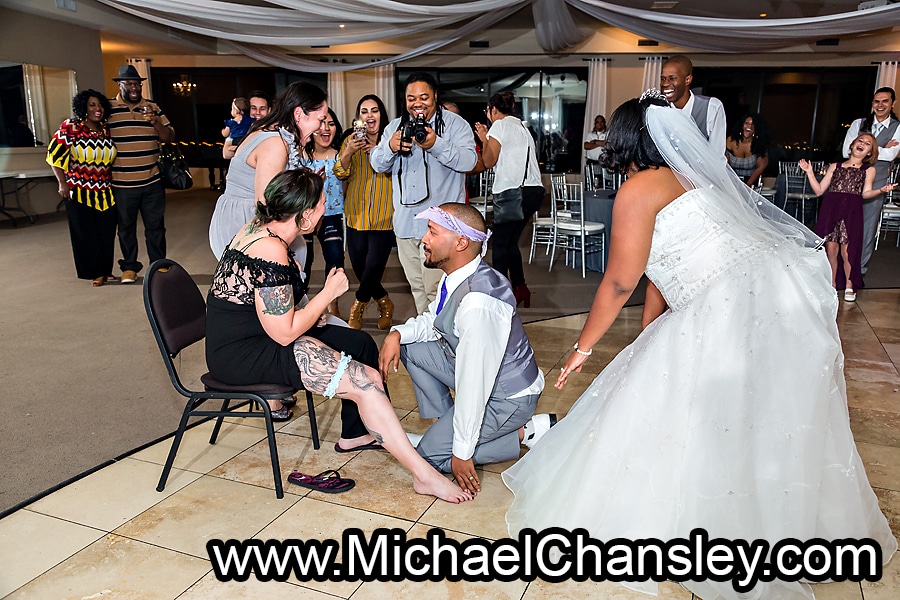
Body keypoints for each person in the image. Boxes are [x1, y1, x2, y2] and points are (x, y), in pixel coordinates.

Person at [502, 91, 896, 600]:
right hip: (770, 296)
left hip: (724, 307)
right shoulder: (697, 178)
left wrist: (582, 348)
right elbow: (661, 274)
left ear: (625, 140)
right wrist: (649, 337)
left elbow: (621, 280)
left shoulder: (640, 189)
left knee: (708, 412)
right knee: (759, 414)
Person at [206, 169, 471, 503]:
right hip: (243, 354)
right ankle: (425, 476)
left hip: (257, 335)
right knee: (366, 381)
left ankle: (356, 434)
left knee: (359, 344)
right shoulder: (269, 248)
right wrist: (328, 292)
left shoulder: (260, 228)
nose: (326, 207)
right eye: (321, 203)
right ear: (303, 216)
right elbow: (285, 333)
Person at [378, 203, 550, 496]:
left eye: (432, 232)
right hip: (485, 379)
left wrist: (462, 452)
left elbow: (474, 385)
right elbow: (433, 321)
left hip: (507, 397)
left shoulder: (478, 304)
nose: (424, 239)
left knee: (429, 459)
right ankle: (448, 427)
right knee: (411, 347)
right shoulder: (458, 273)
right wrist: (397, 333)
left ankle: (527, 431)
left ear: (460, 242)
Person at [370, 72, 478, 314]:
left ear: (436, 97)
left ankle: (442, 343)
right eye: (411, 98)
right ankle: (429, 339)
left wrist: (436, 145)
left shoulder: (455, 125)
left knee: (437, 290)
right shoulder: (394, 128)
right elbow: (377, 163)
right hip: (406, 225)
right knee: (418, 290)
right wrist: (390, 147)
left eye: (423, 97)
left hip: (441, 227)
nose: (417, 103)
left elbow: (470, 161)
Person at [208, 81, 329, 260]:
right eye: (320, 120)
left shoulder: (274, 135)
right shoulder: (275, 144)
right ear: (298, 114)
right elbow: (266, 203)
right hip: (247, 220)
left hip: (250, 216)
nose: (321, 128)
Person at [800, 133, 893, 301]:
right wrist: (809, 172)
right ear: (851, 145)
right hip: (831, 209)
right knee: (831, 250)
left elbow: (865, 193)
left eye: (867, 144)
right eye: (860, 140)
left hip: (852, 212)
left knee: (848, 251)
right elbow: (820, 190)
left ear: (869, 153)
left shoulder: (868, 170)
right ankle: (832, 283)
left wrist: (881, 191)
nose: (862, 144)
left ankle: (850, 285)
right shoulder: (835, 166)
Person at [474, 91, 544, 308]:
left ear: (493, 110)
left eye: (488, 111)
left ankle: (500, 296)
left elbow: (488, 161)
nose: (488, 115)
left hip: (513, 194)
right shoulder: (523, 127)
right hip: (533, 192)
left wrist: (484, 138)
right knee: (511, 242)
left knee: (501, 245)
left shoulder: (499, 126)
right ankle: (520, 288)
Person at [107, 64, 175, 284]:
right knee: (125, 227)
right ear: (120, 84)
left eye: (138, 84)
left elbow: (169, 137)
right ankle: (129, 267)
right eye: (130, 84)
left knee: (155, 227)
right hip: (121, 182)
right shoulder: (109, 109)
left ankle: (158, 265)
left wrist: (155, 122)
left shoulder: (153, 107)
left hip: (152, 180)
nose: (135, 88)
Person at [334, 94, 395, 330]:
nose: (369, 116)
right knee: (359, 266)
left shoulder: (390, 141)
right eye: (364, 111)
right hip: (356, 213)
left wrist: (379, 152)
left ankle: (357, 306)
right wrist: (349, 151)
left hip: (384, 214)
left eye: (374, 110)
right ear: (358, 118)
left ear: (382, 115)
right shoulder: (350, 141)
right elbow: (340, 172)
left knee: (374, 267)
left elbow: (397, 172)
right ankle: (385, 302)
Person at [47, 89, 118, 287]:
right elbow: (54, 156)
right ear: (83, 108)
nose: (98, 109)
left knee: (106, 232)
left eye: (100, 105)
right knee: (86, 234)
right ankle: (93, 272)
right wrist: (62, 183)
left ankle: (106, 270)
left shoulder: (105, 129)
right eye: (92, 105)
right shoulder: (71, 127)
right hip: (78, 190)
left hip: (105, 191)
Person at [842, 86, 900, 275]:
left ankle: (858, 270)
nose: (880, 105)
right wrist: (881, 148)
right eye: (877, 101)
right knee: (844, 224)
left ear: (893, 103)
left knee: (867, 228)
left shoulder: (897, 128)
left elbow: (891, 156)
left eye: (885, 101)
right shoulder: (859, 123)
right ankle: (840, 267)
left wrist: (862, 148)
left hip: (877, 183)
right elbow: (846, 151)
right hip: (851, 179)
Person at [295, 108, 345, 319]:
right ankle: (299, 302)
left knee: (335, 257)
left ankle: (332, 302)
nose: (326, 128)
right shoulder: (300, 157)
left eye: (331, 123)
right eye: (322, 123)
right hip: (304, 215)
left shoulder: (342, 157)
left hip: (332, 214)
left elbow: (348, 186)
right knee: (303, 260)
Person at [660, 55, 726, 152]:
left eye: (672, 78)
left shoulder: (711, 107)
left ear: (688, 80)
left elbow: (717, 153)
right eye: (663, 79)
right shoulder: (659, 109)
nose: (665, 84)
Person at [223, 90, 271, 160]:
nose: (258, 112)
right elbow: (226, 154)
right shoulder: (239, 127)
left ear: (269, 110)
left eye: (262, 108)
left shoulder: (274, 129)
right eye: (253, 108)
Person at [725, 112, 769, 186]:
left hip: (750, 183)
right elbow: (723, 164)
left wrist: (747, 186)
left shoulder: (760, 144)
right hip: (730, 182)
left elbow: (760, 167)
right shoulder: (730, 141)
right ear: (742, 125)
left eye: (753, 124)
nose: (749, 126)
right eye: (747, 123)